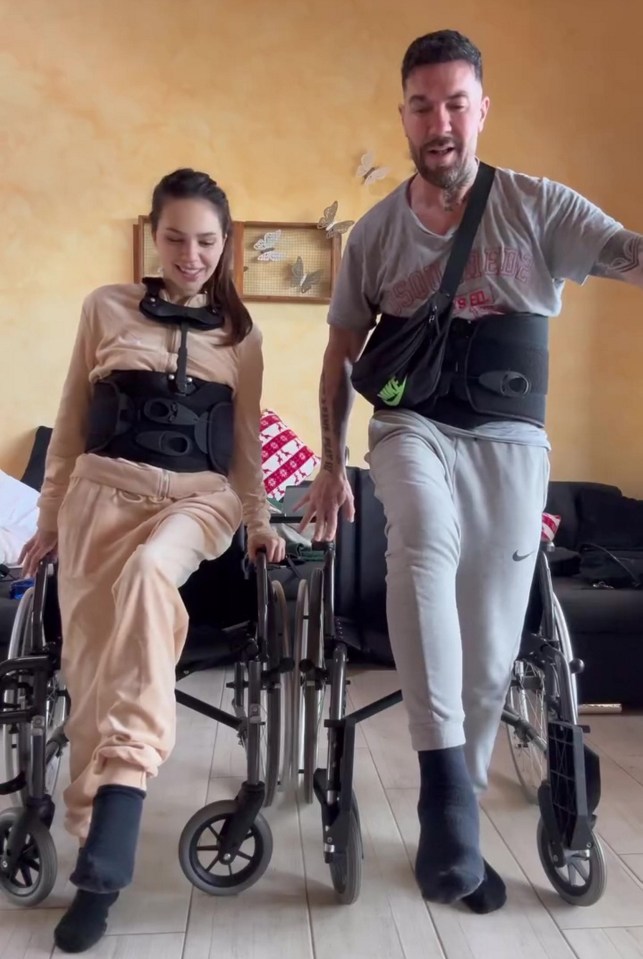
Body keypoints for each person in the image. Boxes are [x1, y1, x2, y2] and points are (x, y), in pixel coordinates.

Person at [298, 29, 643, 914]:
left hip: (510, 441)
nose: (439, 121)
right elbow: (341, 357)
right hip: (412, 424)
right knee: (421, 541)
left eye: (456, 103)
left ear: (481, 109)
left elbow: (628, 255)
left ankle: (455, 799)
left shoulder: (537, 206)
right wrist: (333, 465)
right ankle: (448, 806)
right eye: (422, 104)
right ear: (403, 113)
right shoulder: (375, 234)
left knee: (490, 645)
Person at [20, 168, 285, 952]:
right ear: (152, 235)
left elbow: (243, 454)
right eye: (175, 238)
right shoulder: (104, 307)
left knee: (146, 575)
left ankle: (117, 820)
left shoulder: (243, 336)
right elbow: (70, 422)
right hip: (103, 492)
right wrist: (48, 520)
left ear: (225, 242)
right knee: (91, 669)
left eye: (206, 241)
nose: (191, 254)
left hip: (198, 502)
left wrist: (262, 520)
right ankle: (93, 843)